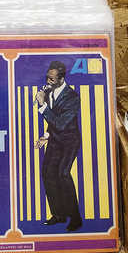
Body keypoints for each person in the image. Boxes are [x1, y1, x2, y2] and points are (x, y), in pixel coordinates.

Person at [33, 61, 82, 232]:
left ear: (62, 79)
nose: (48, 81)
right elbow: (54, 121)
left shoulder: (73, 97)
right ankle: (58, 214)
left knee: (63, 173)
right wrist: (45, 136)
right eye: (48, 78)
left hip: (69, 141)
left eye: (52, 79)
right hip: (54, 140)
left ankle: (75, 218)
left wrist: (42, 106)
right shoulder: (49, 93)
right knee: (47, 173)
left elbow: (60, 123)